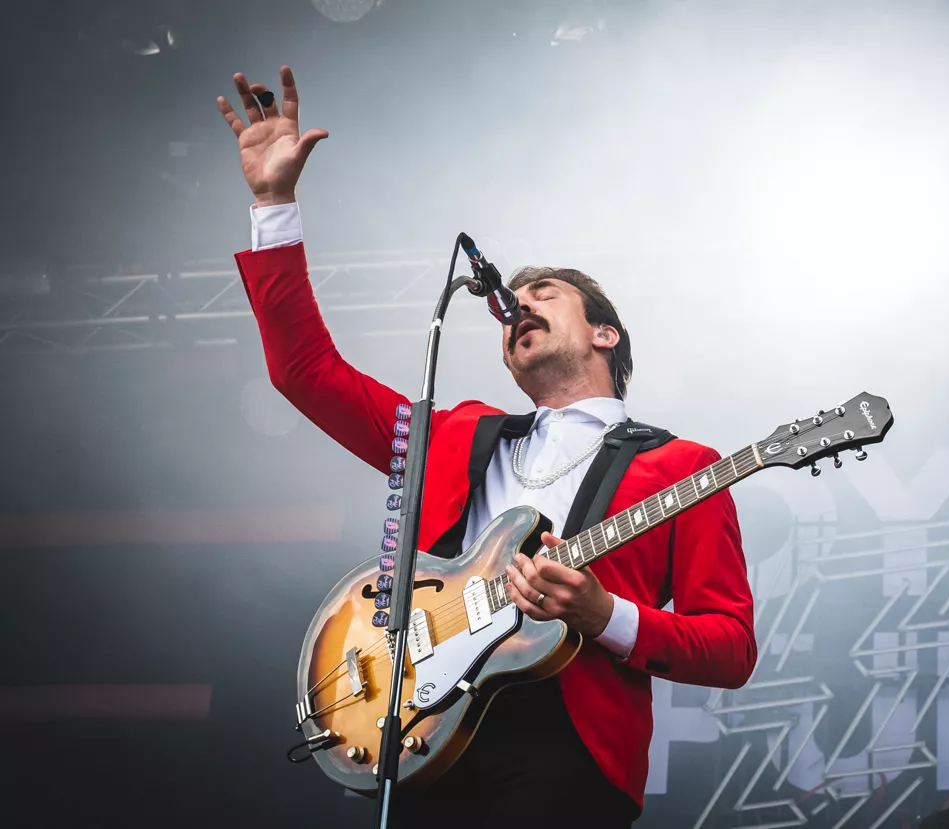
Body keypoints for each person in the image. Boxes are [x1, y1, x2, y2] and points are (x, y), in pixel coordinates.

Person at [216, 66, 757, 827]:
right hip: (422, 732)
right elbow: (306, 373)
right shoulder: (455, 432)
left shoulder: (682, 467)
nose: (519, 307)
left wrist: (606, 614)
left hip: (566, 744)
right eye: (514, 304)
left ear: (605, 332)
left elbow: (729, 645)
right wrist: (274, 203)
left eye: (546, 295)